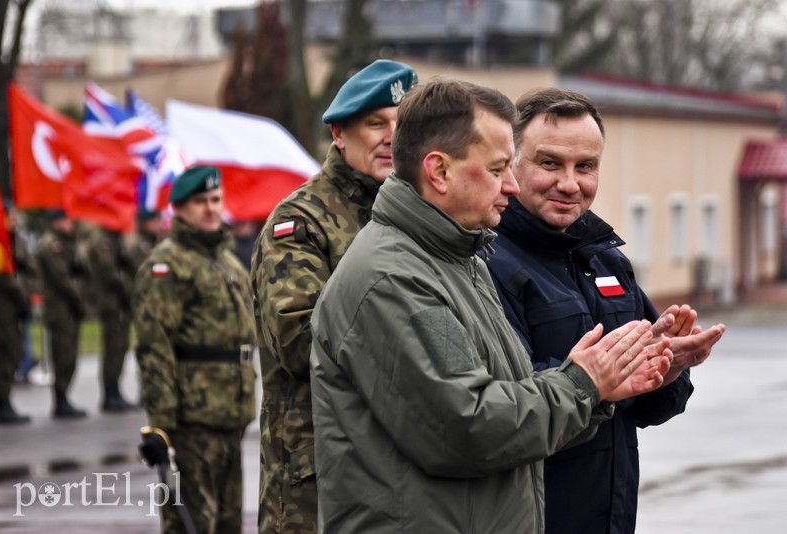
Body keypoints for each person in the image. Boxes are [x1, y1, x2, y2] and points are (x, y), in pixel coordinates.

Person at [308, 77, 673, 533]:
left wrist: (604, 385)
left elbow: (507, 393)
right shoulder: (394, 278)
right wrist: (584, 383)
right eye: (500, 168)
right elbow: (469, 427)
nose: (513, 185)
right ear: (439, 171)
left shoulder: (459, 258)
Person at [486, 87, 726, 534]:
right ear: (512, 164)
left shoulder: (605, 259)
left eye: (586, 166)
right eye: (550, 162)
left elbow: (649, 409)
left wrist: (666, 370)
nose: (570, 183)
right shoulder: (488, 263)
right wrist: (604, 379)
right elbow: (501, 402)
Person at [251, 58, 418, 533]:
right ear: (339, 134)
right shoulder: (301, 224)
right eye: (375, 124)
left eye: (403, 125)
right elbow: (301, 343)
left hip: (396, 465)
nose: (392, 137)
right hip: (316, 476)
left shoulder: (418, 216)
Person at [133, 165, 257, 533]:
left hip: (230, 417)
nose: (210, 208)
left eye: (215, 200)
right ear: (179, 209)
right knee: (191, 524)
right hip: (192, 421)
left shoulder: (227, 261)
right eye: (200, 201)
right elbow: (155, 348)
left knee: (228, 524)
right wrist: (161, 426)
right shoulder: (166, 265)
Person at [36, 209, 88, 418]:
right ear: (55, 222)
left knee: (70, 355)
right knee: (62, 355)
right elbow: (62, 280)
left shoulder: (67, 243)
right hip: (59, 309)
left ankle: (64, 397)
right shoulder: (51, 245)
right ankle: (60, 399)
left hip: (69, 309)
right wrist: (79, 302)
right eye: (66, 220)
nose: (70, 224)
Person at [0, 205, 34, 424]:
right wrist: (23, 303)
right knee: (7, 355)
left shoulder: (14, 241)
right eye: (9, 217)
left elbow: (29, 269)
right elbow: (5, 279)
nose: (13, 221)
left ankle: (6, 402)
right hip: (2, 309)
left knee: (14, 354)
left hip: (16, 308)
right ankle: (3, 405)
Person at [85, 223, 137, 412]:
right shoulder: (102, 238)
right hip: (110, 302)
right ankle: (109, 393)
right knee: (112, 347)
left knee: (121, 347)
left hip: (120, 302)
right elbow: (108, 271)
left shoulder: (116, 237)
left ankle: (116, 391)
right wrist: (127, 288)